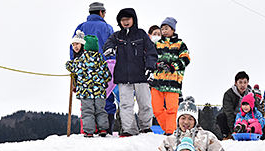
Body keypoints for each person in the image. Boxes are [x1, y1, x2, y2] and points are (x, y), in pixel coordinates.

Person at [103, 8, 158, 137]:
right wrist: (110, 48)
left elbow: (151, 52)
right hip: (123, 76)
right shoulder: (117, 36)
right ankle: (129, 129)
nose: (125, 22)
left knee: (144, 103)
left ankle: (146, 127)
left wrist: (150, 68)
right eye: (122, 20)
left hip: (141, 75)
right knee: (125, 105)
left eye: (128, 19)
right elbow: (108, 43)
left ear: (134, 19)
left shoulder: (141, 34)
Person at [70, 2, 117, 135]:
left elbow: (73, 48)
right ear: (102, 13)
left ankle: (89, 130)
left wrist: (75, 69)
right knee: (106, 100)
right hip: (103, 68)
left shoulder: (80, 27)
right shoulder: (108, 28)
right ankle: (105, 129)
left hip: (84, 71)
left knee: (86, 103)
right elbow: (114, 50)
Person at [150, 17, 191, 135]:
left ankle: (170, 131)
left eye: (166, 28)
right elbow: (151, 58)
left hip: (173, 83)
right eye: (162, 29)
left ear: (173, 30)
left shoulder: (180, 45)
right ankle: (168, 128)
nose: (164, 31)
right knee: (157, 109)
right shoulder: (157, 44)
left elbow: (186, 59)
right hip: (157, 82)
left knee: (172, 109)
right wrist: (157, 65)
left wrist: (172, 67)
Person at [66, 35, 111, 137]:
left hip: (85, 92)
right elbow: (108, 76)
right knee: (100, 110)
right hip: (99, 92)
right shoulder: (101, 60)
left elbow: (70, 66)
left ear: (85, 47)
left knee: (87, 111)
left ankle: (89, 131)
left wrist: (68, 64)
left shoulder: (81, 60)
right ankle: (103, 129)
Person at [217, 71, 265, 140]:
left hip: (249, 117)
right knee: (221, 117)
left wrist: (264, 116)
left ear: (248, 83)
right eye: (240, 82)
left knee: (262, 120)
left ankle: (259, 137)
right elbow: (229, 113)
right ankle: (227, 135)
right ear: (235, 83)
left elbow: (257, 106)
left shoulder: (251, 93)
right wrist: (234, 131)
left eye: (245, 82)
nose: (243, 85)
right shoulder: (229, 94)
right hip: (236, 117)